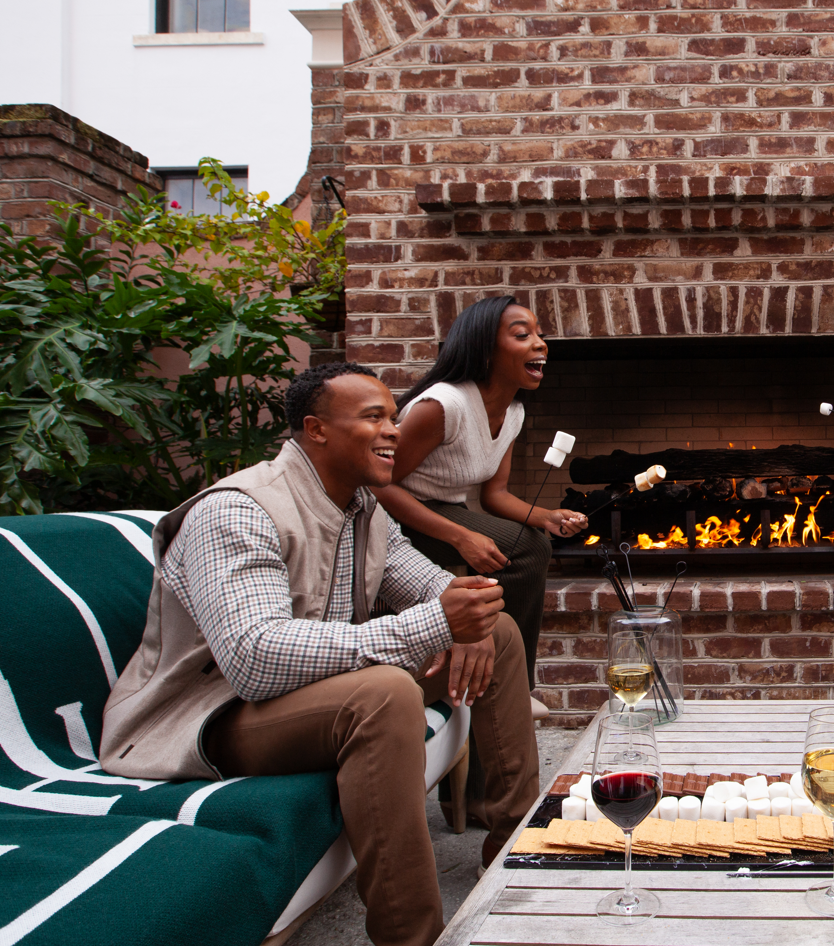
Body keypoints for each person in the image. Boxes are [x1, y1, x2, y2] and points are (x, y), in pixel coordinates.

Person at [100, 362, 539, 946]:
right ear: (316, 430)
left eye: (396, 417)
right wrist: (439, 622)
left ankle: (517, 853)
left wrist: (472, 615)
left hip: (314, 692)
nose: (394, 431)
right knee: (385, 694)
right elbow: (254, 658)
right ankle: (413, 937)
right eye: (374, 417)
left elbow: (426, 583)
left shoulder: (365, 507)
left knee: (502, 633)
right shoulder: (238, 509)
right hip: (213, 715)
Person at [371, 296, 587, 733]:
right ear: (486, 350)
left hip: (444, 511)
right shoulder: (443, 406)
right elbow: (378, 485)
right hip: (390, 521)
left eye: (539, 334)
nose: (541, 344)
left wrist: (544, 515)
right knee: (525, 550)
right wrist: (458, 536)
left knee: (529, 540)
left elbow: (495, 495)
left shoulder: (513, 413)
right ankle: (513, 686)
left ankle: (492, 671)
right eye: (523, 335)